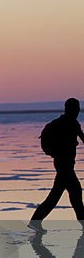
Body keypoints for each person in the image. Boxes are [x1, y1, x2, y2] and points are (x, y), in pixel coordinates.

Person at [30, 98, 84, 231]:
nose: (78, 111)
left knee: (61, 195)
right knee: (73, 194)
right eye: (76, 109)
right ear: (70, 109)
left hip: (66, 165)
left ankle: (35, 222)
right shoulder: (62, 124)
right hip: (63, 164)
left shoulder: (74, 123)